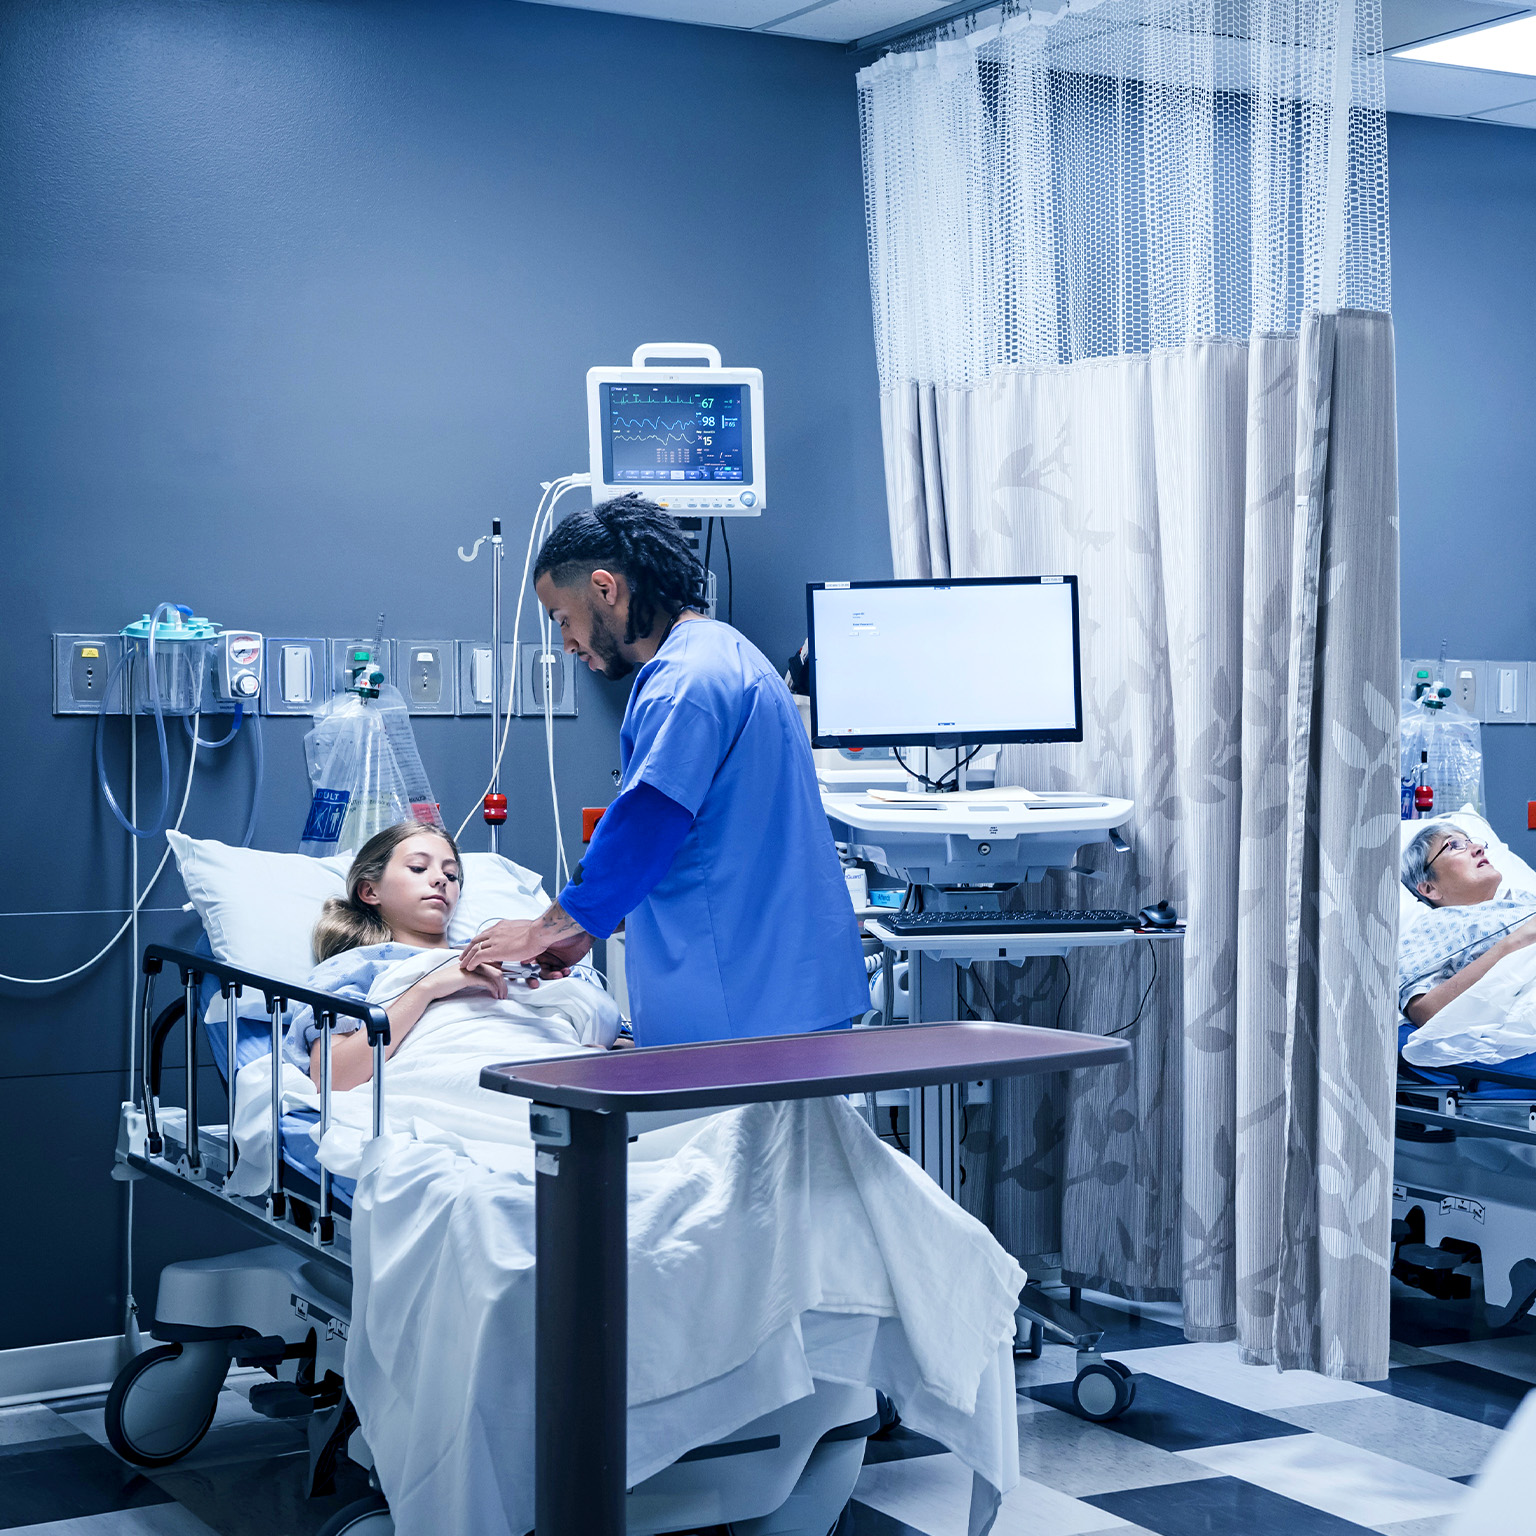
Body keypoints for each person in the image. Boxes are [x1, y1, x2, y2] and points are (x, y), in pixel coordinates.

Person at [461, 493, 869, 1047]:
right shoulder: (728, 654)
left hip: (740, 1007)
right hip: (787, 987)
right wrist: (584, 930)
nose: (566, 642)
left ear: (605, 589)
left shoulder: (687, 683)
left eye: (563, 618)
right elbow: (715, 838)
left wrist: (544, 929)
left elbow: (643, 829)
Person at [281, 822, 610, 1092]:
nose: (440, 879)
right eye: (418, 867)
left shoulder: (505, 953)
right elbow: (332, 1080)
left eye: (451, 876)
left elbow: (596, 1019)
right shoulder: (356, 967)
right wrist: (429, 987)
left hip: (553, 1063)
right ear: (370, 891)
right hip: (451, 1073)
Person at [1399, 821, 1536, 1027]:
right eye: (1454, 845)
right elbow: (1424, 1010)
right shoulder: (1430, 928)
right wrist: (1516, 942)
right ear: (1429, 888)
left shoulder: (1522, 900)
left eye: (1471, 842)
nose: (1478, 848)